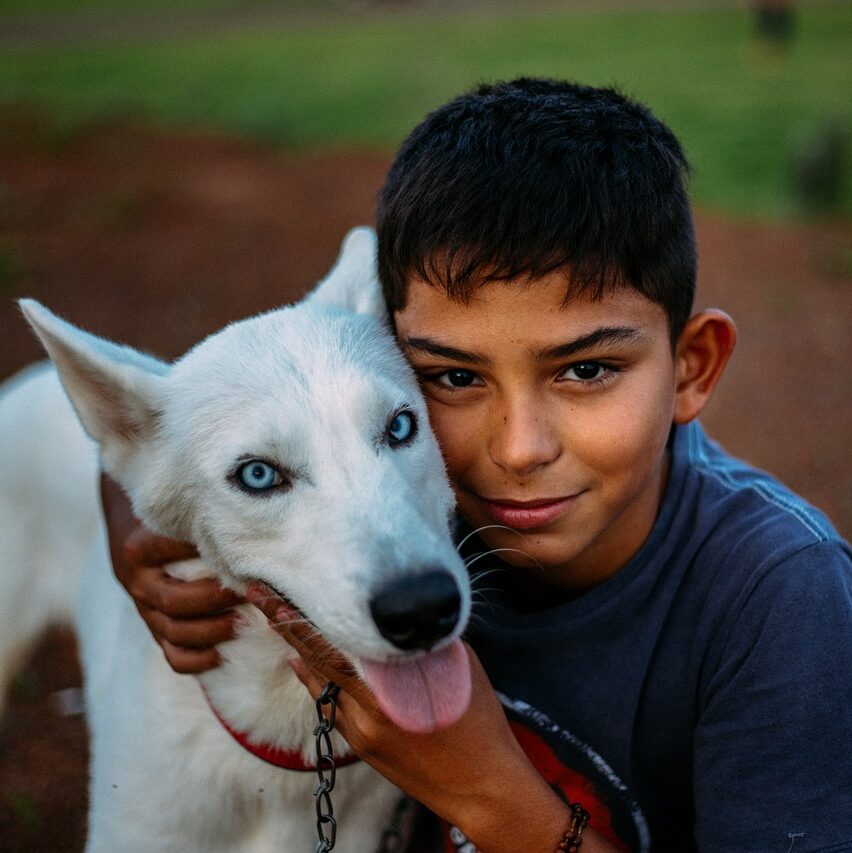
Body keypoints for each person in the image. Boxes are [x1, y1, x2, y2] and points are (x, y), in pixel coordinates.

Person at [101, 79, 852, 852]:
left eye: (587, 370)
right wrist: (129, 518)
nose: (520, 448)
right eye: (455, 378)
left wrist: (486, 793)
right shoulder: (412, 486)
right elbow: (240, 407)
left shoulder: (782, 595)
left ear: (691, 367)